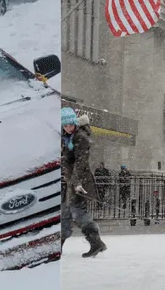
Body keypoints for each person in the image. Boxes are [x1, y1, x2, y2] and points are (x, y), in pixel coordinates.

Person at [60, 107, 107, 258]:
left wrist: (77, 182)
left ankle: (96, 242)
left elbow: (81, 162)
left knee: (78, 212)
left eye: (70, 124)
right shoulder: (68, 137)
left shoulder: (80, 137)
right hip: (72, 181)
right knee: (65, 213)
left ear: (74, 123)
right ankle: (57, 245)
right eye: (65, 125)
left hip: (80, 181)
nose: (68, 127)